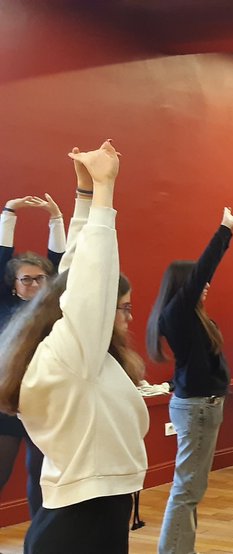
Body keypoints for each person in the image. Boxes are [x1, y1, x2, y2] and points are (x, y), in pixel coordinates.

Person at [0, 140, 148, 551]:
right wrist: (104, 192)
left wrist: (84, 193)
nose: (124, 316)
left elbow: (71, 275)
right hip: (80, 523)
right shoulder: (69, 356)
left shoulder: (59, 350)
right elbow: (90, 280)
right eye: (120, 307)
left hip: (89, 512)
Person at [148, 205, 233, 553]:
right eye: (198, 282)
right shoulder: (177, 313)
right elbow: (204, 269)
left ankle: (181, 547)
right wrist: (225, 231)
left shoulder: (189, 318)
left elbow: (190, 362)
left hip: (201, 406)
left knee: (191, 488)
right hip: (198, 408)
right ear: (183, 286)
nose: (206, 285)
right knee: (187, 489)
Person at [0, 193, 65, 519]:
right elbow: (2, 256)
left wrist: (56, 219)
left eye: (41, 279)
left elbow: (60, 262)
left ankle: (40, 537)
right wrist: (9, 212)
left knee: (41, 475)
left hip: (44, 400)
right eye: (27, 280)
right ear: (13, 285)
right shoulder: (5, 304)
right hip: (9, 400)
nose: (36, 285)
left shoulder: (52, 308)